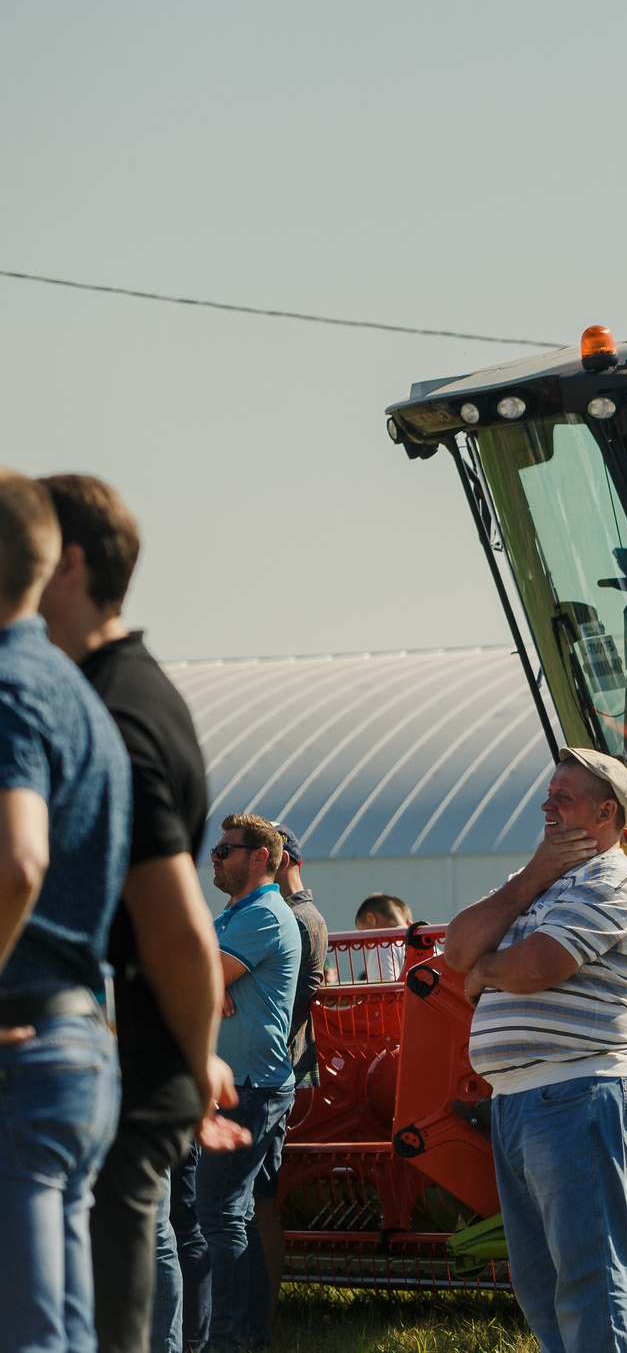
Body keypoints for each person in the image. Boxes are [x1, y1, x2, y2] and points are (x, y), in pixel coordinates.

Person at [36, 474, 245, 1353]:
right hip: (134, 1068)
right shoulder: (133, 688)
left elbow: (177, 923)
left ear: (70, 563)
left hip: (121, 1073)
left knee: (104, 1322)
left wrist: (195, 1062)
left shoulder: (114, 712)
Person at [443, 749, 627, 1353]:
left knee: (586, 1274)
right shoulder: (537, 882)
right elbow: (457, 949)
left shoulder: (617, 878)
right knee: (540, 1282)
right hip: (524, 1099)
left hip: (579, 1090)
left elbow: (539, 964)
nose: (546, 806)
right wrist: (529, 880)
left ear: (605, 812)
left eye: (563, 797)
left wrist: (488, 968)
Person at [0, 468, 132, 1353]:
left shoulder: (9, 686)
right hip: (79, 1044)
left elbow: (19, 859)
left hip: (23, 1046)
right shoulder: (79, 693)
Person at [198, 813, 300, 1353]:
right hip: (249, 1082)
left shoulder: (262, 915)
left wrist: (200, 979)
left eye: (223, 851)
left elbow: (193, 975)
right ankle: (249, 1336)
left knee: (218, 1214)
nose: (214, 859)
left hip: (247, 1086)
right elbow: (196, 971)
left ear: (259, 857)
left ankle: (231, 1339)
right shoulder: (237, 915)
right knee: (240, 1213)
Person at [256, 828, 326, 1320]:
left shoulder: (295, 919)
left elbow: (281, 1003)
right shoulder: (301, 915)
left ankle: (259, 1310)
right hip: (284, 1066)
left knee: (258, 1202)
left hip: (273, 1069)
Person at [353, 895, 412, 983]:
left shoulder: (382, 945)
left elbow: (383, 992)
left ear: (371, 919)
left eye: (363, 934)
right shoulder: (427, 942)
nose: (366, 947)